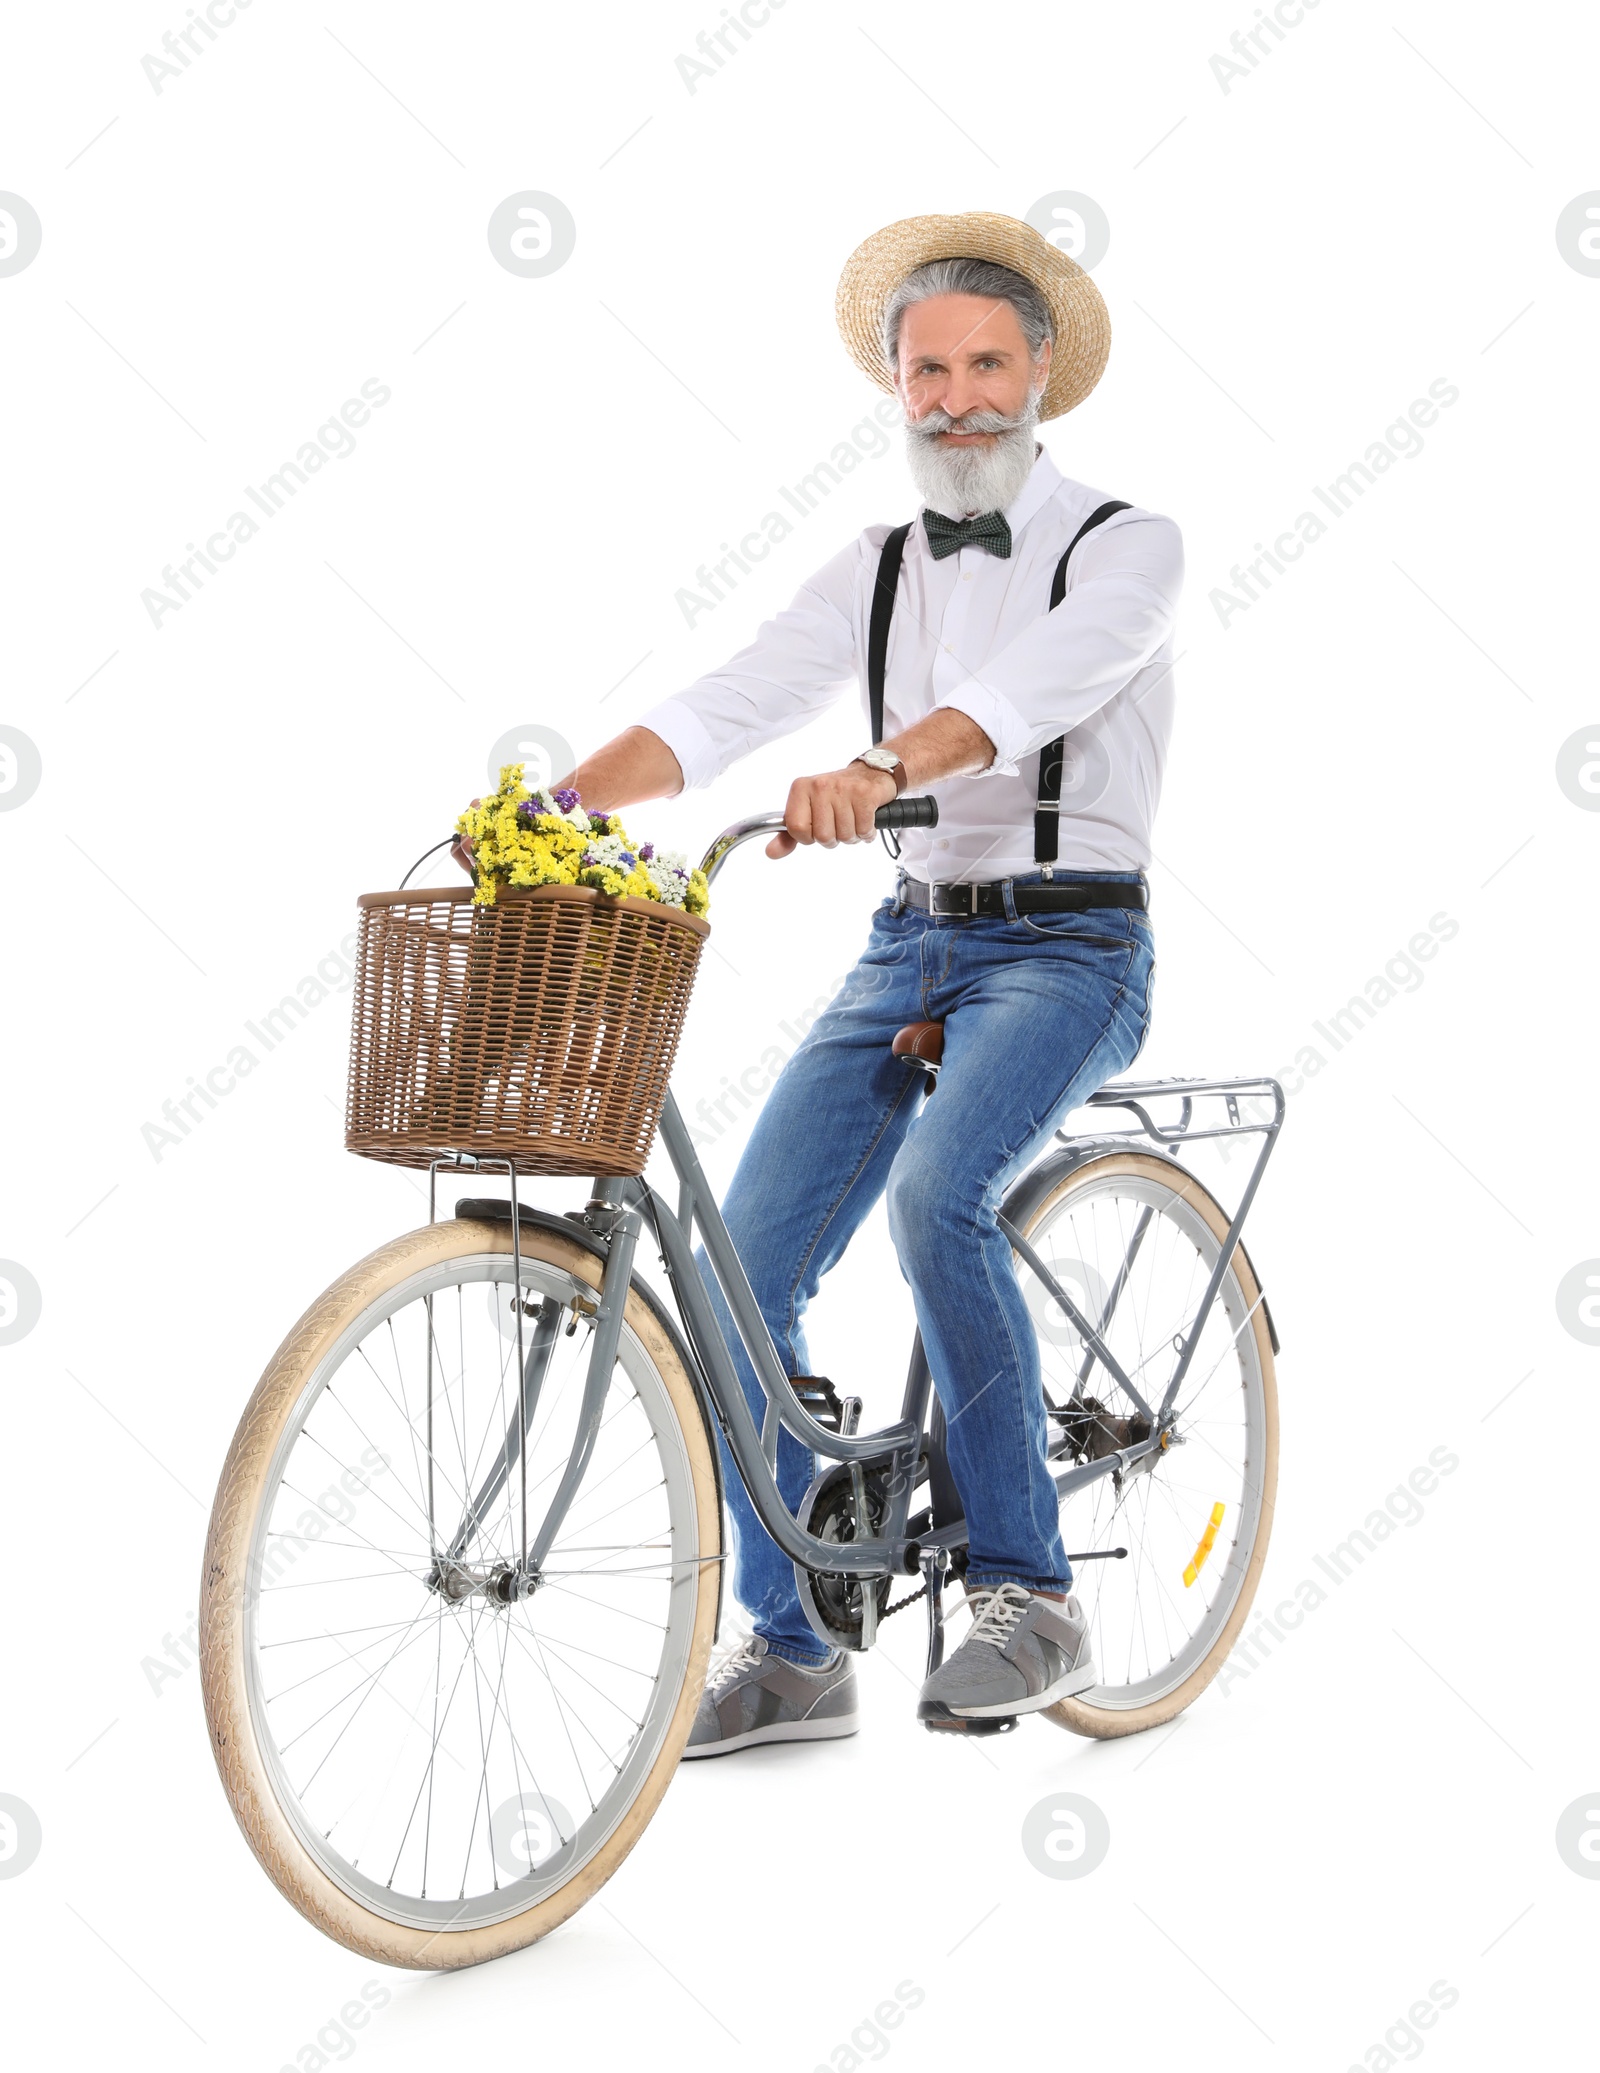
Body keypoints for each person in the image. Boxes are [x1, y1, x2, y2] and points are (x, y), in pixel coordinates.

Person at [535, 212, 1181, 1752]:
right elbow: (738, 693)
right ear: (896, 388)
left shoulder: (1128, 546)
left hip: (1072, 943)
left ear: (1040, 378)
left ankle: (1031, 1593)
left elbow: (1019, 701)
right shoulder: (877, 564)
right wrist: (571, 802)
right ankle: (799, 1636)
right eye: (925, 371)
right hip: (911, 941)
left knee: (936, 1197)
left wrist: (883, 763)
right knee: (740, 1272)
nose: (954, 398)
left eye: (983, 366)